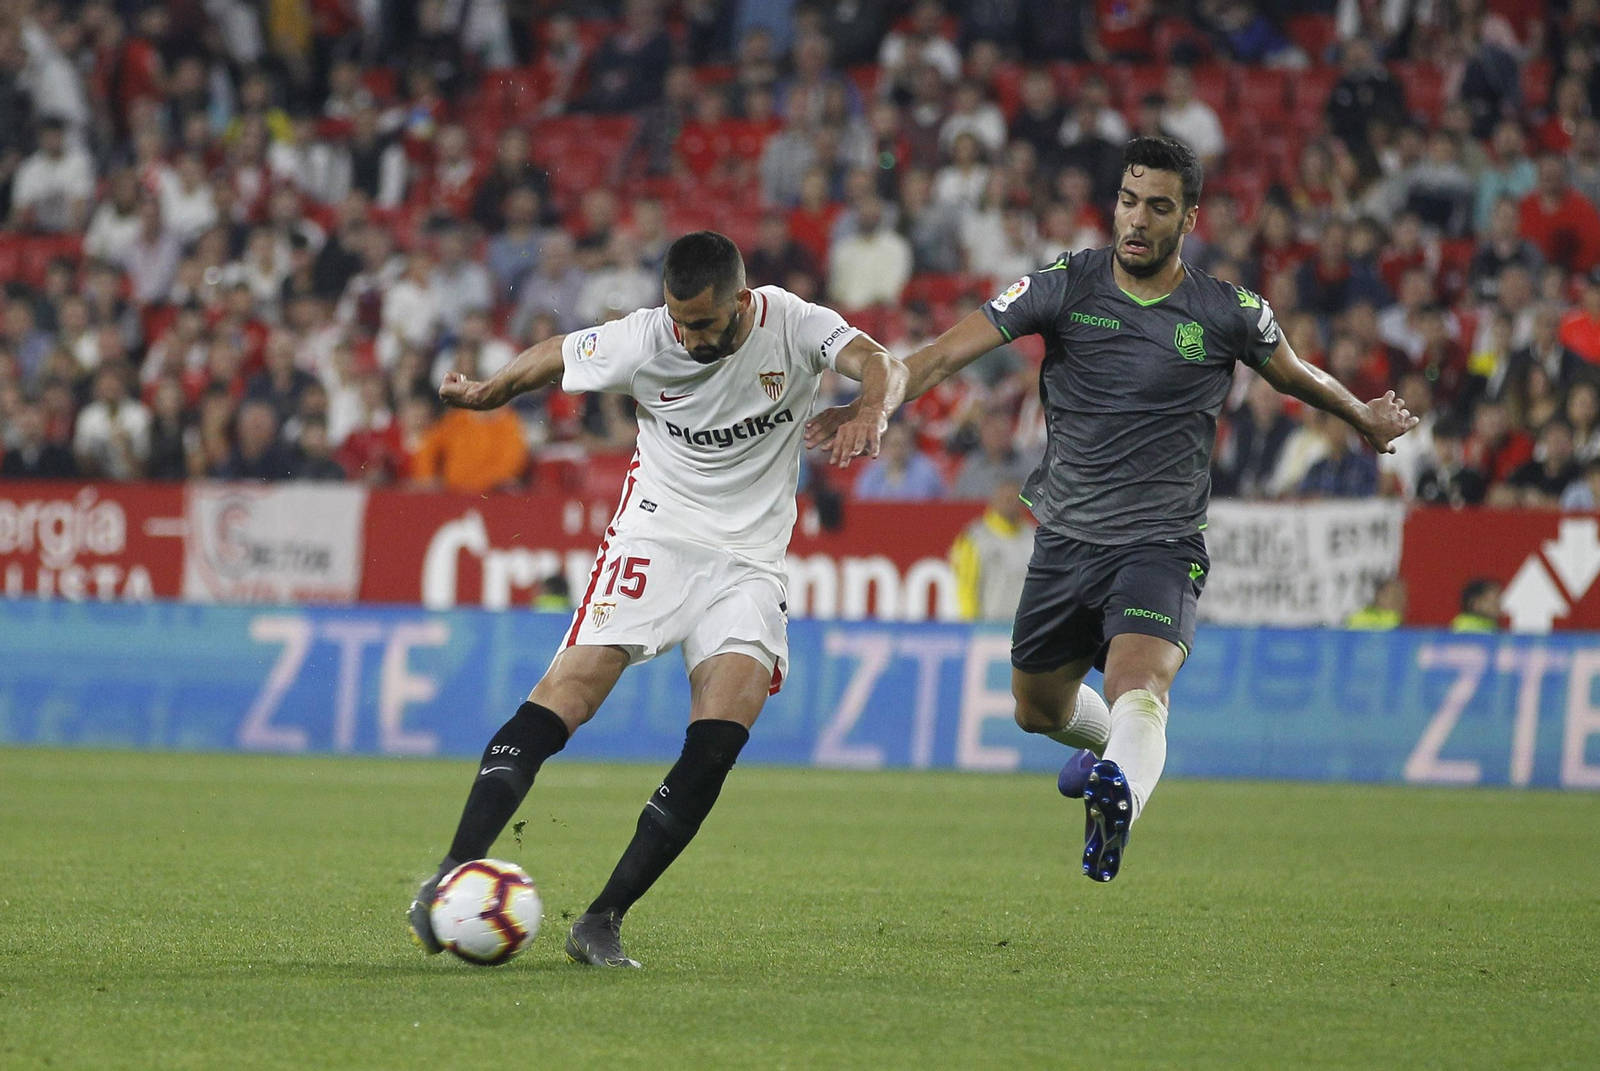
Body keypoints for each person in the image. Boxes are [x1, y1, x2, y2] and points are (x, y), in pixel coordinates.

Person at [808, 137, 1417, 882]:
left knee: (1140, 681)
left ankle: (1119, 795)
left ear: (1188, 218)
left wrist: (1363, 415)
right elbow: (936, 357)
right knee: (1036, 707)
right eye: (1129, 201)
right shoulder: (1062, 286)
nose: (1137, 219)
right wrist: (875, 399)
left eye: (1158, 207)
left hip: (1162, 542)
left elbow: (1295, 375)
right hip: (1066, 539)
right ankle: (1110, 756)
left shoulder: (1226, 310)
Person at [406, 232, 906, 966]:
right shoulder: (646, 338)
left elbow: (881, 361)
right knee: (569, 692)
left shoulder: (795, 323)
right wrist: (490, 392)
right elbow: (555, 354)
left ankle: (601, 920)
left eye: (703, 323)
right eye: (679, 321)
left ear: (742, 302)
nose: (689, 337)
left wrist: (870, 405)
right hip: (656, 536)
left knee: (720, 737)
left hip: (749, 563)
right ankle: (451, 873)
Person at [950, 478, 1035, 622]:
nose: (1009, 503)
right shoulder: (975, 539)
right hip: (989, 627)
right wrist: (970, 624)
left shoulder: (1034, 537)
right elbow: (966, 587)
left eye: (1013, 499)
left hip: (1025, 627)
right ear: (994, 500)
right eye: (1005, 498)